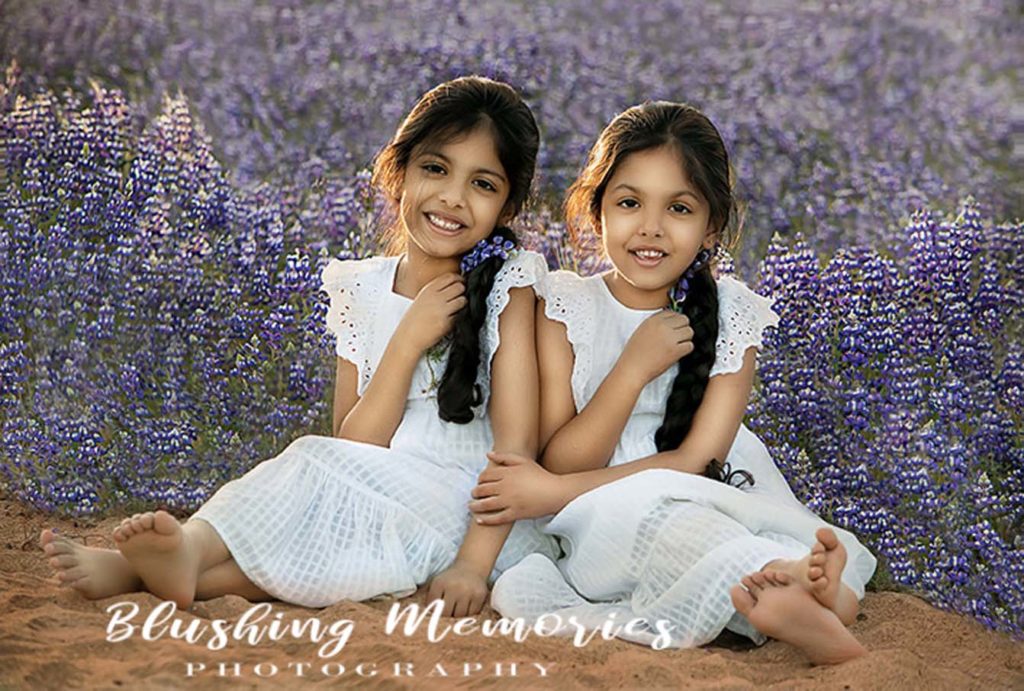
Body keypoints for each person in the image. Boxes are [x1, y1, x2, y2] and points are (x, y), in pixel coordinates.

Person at [39, 76, 557, 615]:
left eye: (483, 184)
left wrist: (472, 565)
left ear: (508, 207)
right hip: (378, 493)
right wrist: (407, 341)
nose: (452, 197)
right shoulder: (359, 287)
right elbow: (353, 445)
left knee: (316, 475)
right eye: (435, 168)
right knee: (329, 513)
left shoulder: (509, 286)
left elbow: (515, 453)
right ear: (398, 172)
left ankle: (158, 561)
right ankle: (180, 562)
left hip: (476, 519)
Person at [467, 101, 877, 664]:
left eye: (679, 208)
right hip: (603, 499)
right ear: (597, 211)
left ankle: (807, 589)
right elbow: (563, 458)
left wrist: (548, 494)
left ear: (711, 226)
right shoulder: (566, 305)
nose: (651, 228)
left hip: (713, 480)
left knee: (751, 529)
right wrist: (632, 370)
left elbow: (699, 459)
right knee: (665, 527)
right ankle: (785, 592)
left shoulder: (732, 312)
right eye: (630, 203)